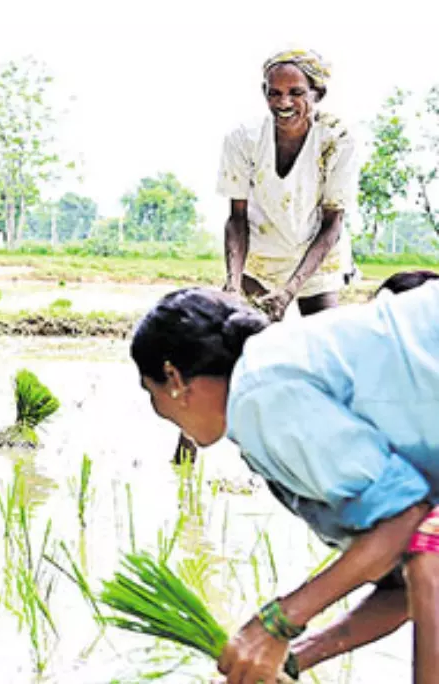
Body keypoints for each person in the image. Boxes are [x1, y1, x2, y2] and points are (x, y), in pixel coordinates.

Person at [131, 286, 439, 684]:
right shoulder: (275, 376)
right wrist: (286, 661)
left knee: (429, 557)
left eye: (149, 390)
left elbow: (404, 520)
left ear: (173, 378)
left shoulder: (259, 392)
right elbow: (398, 586)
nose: (157, 409)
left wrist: (276, 624)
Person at [180, 48, 362, 464]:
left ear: (316, 94)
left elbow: (333, 224)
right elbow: (236, 218)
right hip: (258, 257)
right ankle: (185, 457)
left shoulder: (337, 139)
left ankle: (329, 458)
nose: (283, 102)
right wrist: (232, 280)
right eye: (273, 92)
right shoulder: (243, 139)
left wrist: (291, 290)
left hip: (318, 258)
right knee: (225, 352)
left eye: (295, 92)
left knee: (327, 360)